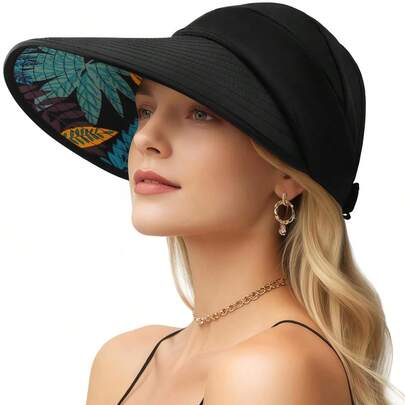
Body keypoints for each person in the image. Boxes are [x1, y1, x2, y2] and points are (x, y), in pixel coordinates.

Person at [3, 2, 404, 404]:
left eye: (200, 114)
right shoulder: (122, 361)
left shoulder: (271, 370)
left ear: (288, 176)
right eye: (145, 110)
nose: (145, 138)